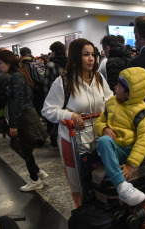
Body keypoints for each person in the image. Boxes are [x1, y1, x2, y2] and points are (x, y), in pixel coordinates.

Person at [42, 38, 113, 207]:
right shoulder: (63, 81)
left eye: (93, 54)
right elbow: (48, 110)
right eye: (85, 55)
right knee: (79, 185)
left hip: (98, 138)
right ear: (75, 56)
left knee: (100, 179)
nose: (91, 59)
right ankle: (82, 215)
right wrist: (70, 115)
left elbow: (110, 100)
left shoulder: (99, 78)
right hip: (73, 141)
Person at [95, 67, 145, 206]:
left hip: (136, 152)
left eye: (119, 86)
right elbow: (99, 122)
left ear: (128, 94)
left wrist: (131, 165)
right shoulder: (111, 103)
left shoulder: (142, 113)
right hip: (117, 150)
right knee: (103, 141)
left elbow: (143, 140)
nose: (115, 87)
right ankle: (122, 186)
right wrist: (104, 128)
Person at [0, 50, 49, 192]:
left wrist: (13, 125)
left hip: (23, 116)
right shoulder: (21, 72)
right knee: (23, 146)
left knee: (22, 146)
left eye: (0, 64)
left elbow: (18, 101)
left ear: (8, 62)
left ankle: (35, 180)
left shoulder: (16, 76)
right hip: (27, 113)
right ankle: (37, 172)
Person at [43, 41, 68, 147]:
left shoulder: (51, 65)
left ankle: (55, 139)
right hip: (68, 95)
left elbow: (47, 84)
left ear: (53, 52)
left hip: (55, 95)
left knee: (55, 119)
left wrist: (46, 99)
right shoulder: (70, 63)